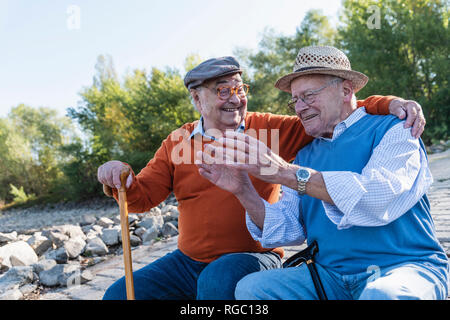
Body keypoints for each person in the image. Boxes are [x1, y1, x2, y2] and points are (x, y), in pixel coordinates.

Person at [97, 55, 427, 300]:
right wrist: (121, 176)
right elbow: (140, 198)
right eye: (222, 90)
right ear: (197, 99)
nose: (235, 98)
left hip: (252, 256)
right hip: (188, 259)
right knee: (118, 295)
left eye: (239, 89)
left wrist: (391, 103)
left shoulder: (272, 129)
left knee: (217, 282)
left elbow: (338, 112)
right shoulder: (178, 142)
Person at [196, 46, 449, 300]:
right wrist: (243, 190)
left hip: (404, 267)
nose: (300, 108)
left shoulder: (396, 128)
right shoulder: (305, 154)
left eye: (308, 96)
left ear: (346, 90)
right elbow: (289, 229)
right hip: (329, 278)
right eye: (295, 100)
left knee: (382, 295)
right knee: (251, 289)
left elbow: (375, 195)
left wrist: (284, 172)